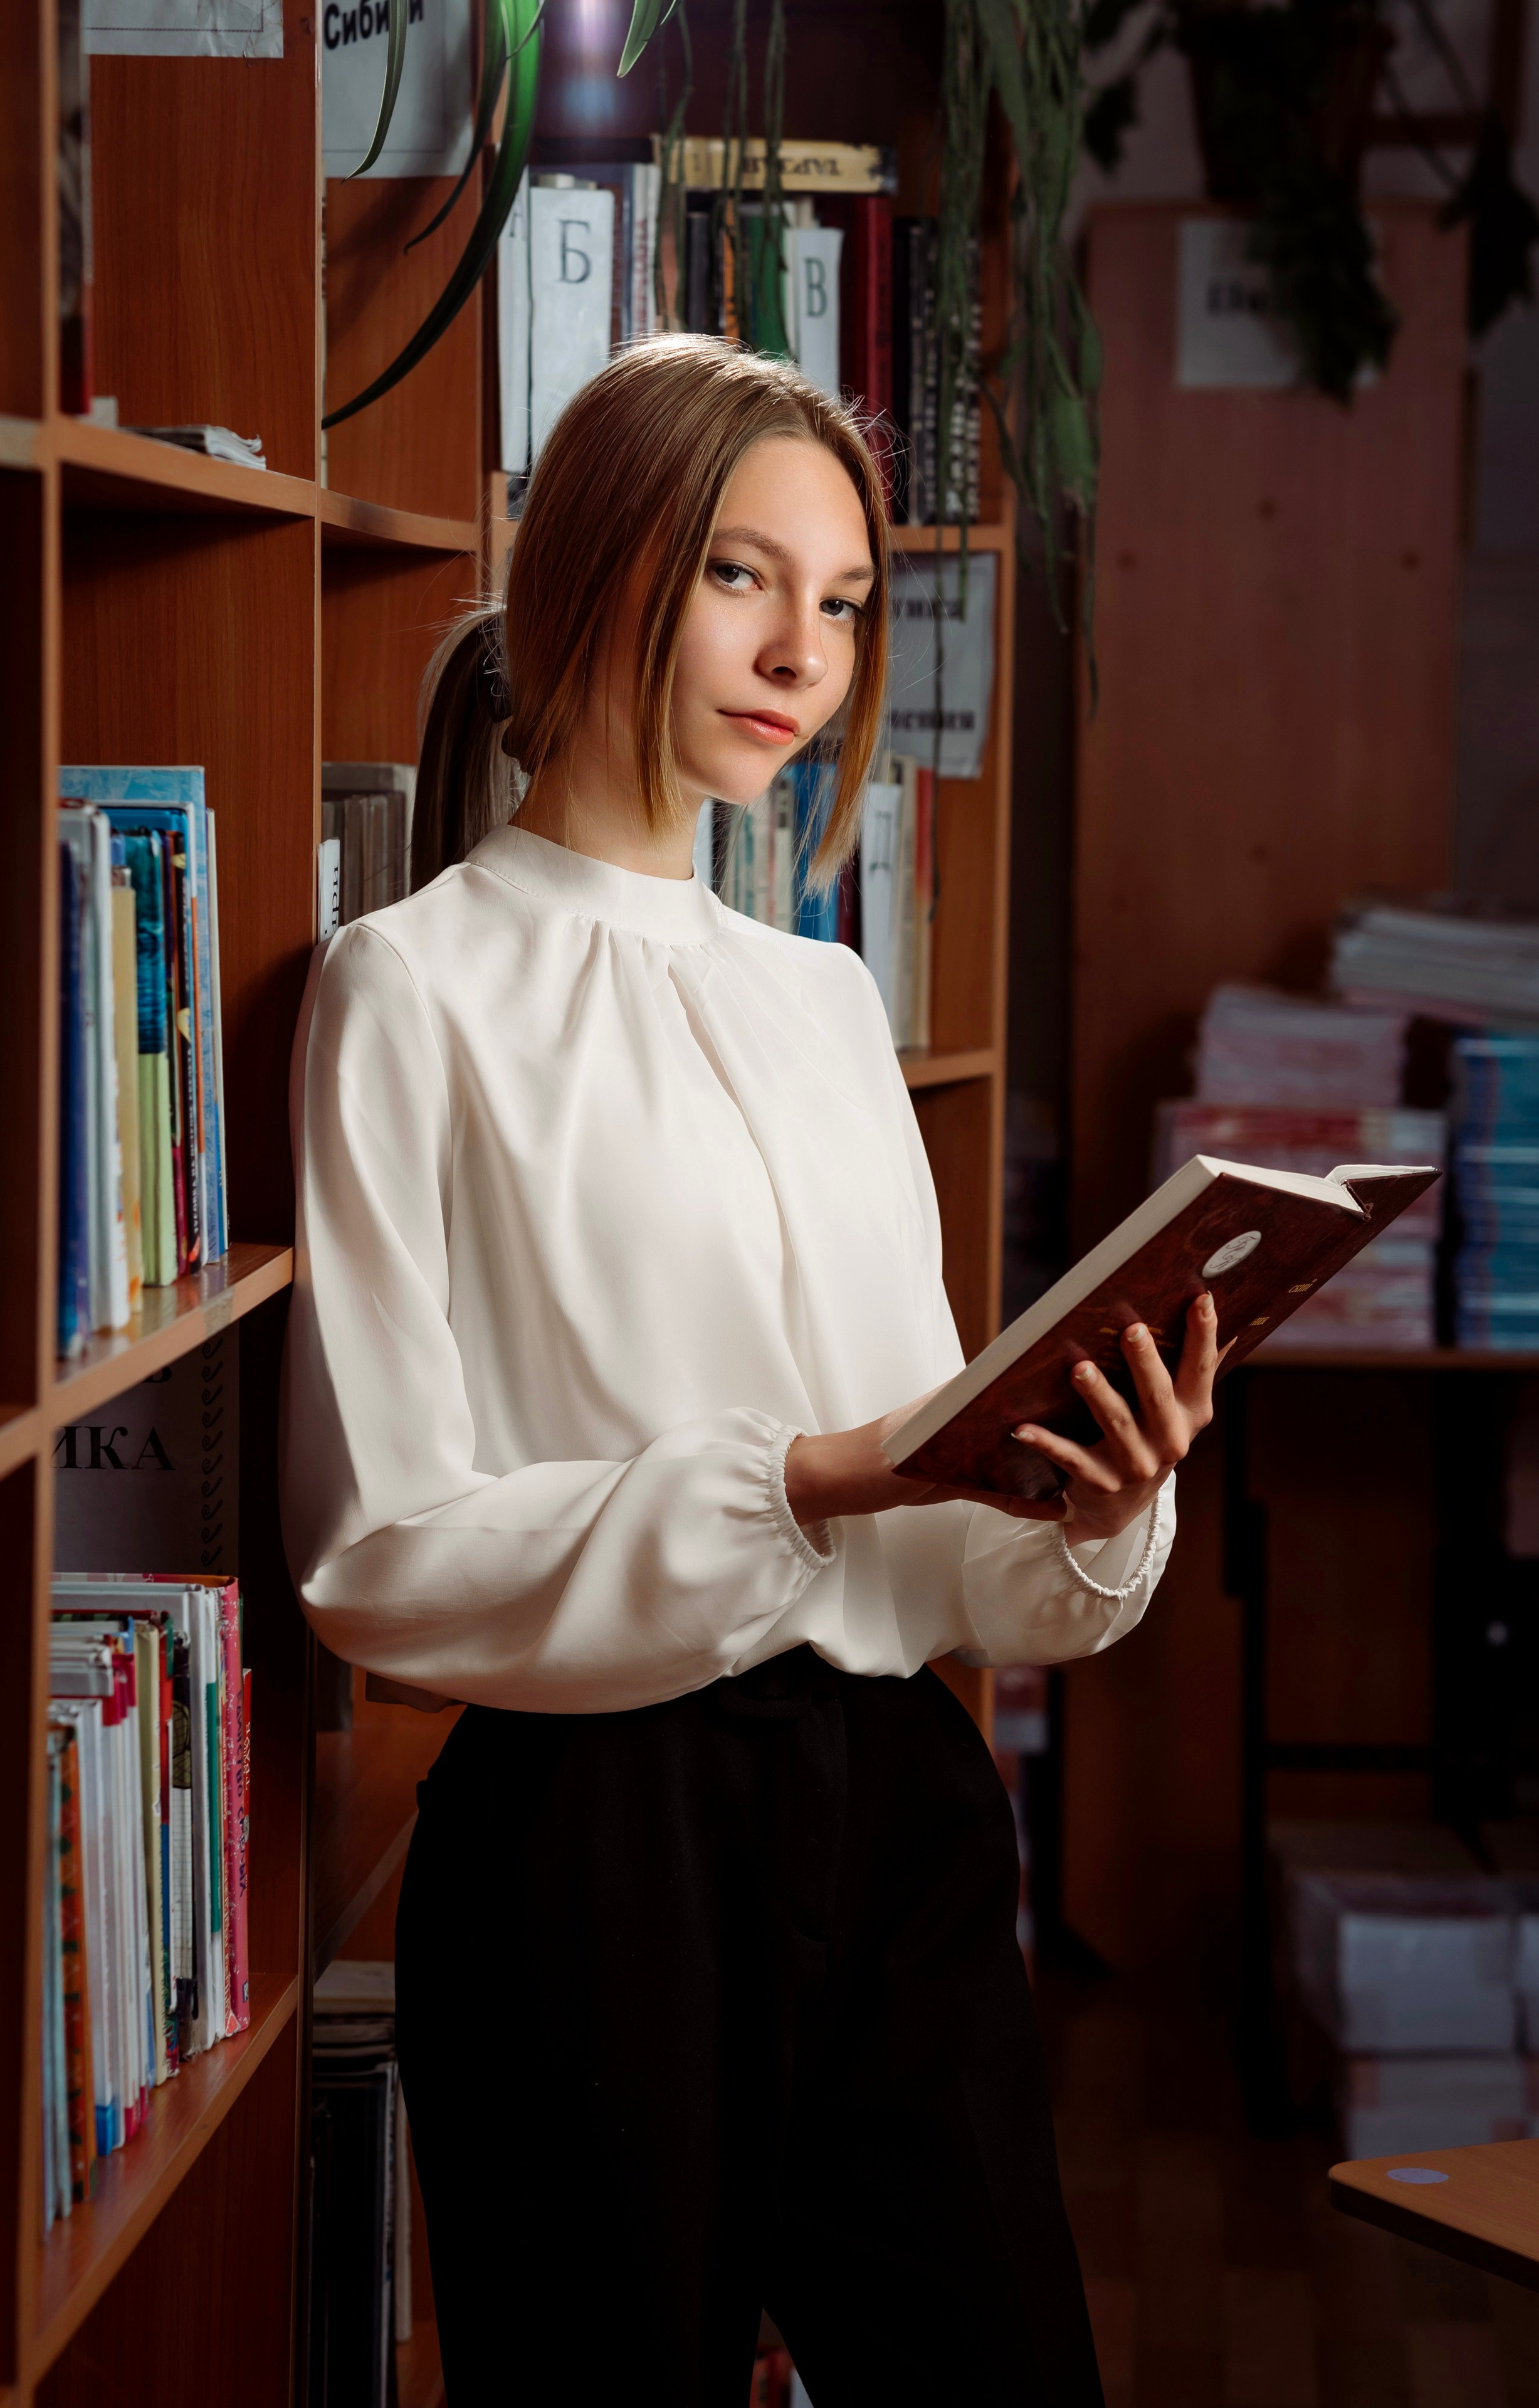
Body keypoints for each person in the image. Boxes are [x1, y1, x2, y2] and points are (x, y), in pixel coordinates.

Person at [283, 335, 1218, 2405]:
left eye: (847, 602)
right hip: (592, 1855)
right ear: (598, 563)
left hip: (900, 1809)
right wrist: (803, 1479)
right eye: (742, 576)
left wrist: (1094, 1491)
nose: (805, 652)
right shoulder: (407, 988)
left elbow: (940, 1538)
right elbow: (376, 1556)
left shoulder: (828, 1001)